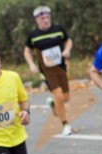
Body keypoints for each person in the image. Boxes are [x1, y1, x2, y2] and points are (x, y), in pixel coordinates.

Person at [24, 5, 74, 135]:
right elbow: (27, 51)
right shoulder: (33, 35)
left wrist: (67, 50)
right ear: (37, 20)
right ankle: (65, 125)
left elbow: (68, 41)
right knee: (58, 94)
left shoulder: (58, 30)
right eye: (42, 18)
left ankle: (53, 104)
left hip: (61, 68)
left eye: (47, 17)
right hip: (46, 71)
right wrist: (31, 64)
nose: (45, 20)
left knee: (66, 97)